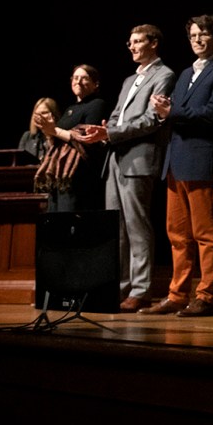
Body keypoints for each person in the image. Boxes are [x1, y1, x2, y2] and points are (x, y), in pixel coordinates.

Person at [74, 26, 175, 312]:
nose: (131, 47)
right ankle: (119, 288)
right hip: (116, 158)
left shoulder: (164, 74)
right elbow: (117, 116)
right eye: (130, 42)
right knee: (116, 228)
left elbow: (152, 120)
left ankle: (141, 289)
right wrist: (103, 130)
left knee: (136, 225)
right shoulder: (130, 78)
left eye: (138, 42)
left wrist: (111, 134)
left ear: (153, 43)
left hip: (139, 159)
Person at [144, 14, 213, 318]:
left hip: (201, 161)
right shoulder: (185, 74)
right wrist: (161, 112)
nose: (197, 40)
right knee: (177, 234)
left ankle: (206, 296)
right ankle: (177, 294)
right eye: (193, 36)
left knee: (205, 234)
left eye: (203, 35)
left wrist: (172, 111)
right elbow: (175, 113)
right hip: (176, 160)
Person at [29, 66, 109, 212]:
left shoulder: (97, 104)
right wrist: (50, 132)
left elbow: (87, 137)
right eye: (75, 78)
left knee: (71, 220)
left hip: (80, 176)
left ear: (95, 84)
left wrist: (54, 130)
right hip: (60, 175)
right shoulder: (70, 109)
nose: (78, 82)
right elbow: (59, 140)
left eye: (84, 78)